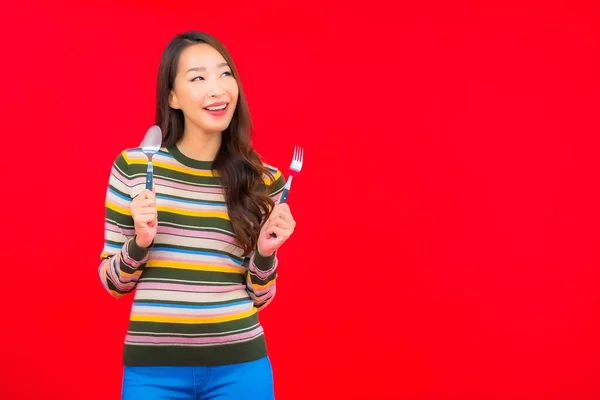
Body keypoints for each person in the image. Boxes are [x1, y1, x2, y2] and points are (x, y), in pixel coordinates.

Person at [98, 30, 295, 399]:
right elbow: (113, 284)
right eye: (198, 78)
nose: (217, 89)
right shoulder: (135, 167)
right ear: (172, 96)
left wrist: (266, 252)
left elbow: (260, 295)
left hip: (241, 369)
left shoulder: (264, 180)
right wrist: (140, 243)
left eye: (224, 74)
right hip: (153, 372)